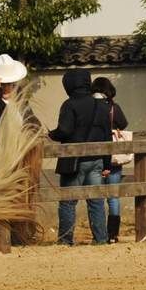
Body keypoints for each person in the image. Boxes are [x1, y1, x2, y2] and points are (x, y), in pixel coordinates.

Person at [48, 68, 112, 245]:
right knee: (96, 201)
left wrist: (52, 135)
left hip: (74, 162)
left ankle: (65, 240)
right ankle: (101, 239)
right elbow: (107, 135)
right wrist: (107, 163)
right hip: (97, 159)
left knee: (68, 202)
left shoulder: (69, 104)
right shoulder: (102, 105)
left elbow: (65, 130)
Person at [91, 77, 129, 242]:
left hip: (95, 156)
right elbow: (124, 124)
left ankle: (99, 234)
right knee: (113, 196)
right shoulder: (114, 107)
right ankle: (113, 234)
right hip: (113, 156)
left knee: (95, 195)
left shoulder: (91, 107)